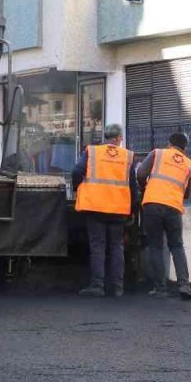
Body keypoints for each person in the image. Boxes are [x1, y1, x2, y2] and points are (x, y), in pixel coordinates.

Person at [73, 124, 136, 298]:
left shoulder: (92, 152)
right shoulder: (127, 156)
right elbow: (133, 186)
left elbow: (77, 171)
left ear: (106, 137)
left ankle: (97, 285)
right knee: (117, 246)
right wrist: (132, 209)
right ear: (117, 138)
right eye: (121, 137)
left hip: (95, 207)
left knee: (98, 246)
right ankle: (118, 287)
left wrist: (77, 188)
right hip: (118, 209)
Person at [136, 132, 191, 300]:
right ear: (185, 148)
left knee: (155, 246)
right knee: (177, 246)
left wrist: (144, 188)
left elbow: (140, 174)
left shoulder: (158, 153)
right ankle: (184, 285)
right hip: (174, 207)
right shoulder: (190, 165)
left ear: (169, 143)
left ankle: (160, 288)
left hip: (152, 204)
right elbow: (188, 194)